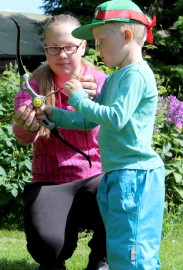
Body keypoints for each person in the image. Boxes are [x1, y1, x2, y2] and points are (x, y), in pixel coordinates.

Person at [37, 1, 166, 269]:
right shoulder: (119, 76)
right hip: (118, 172)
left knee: (134, 249)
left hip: (136, 175)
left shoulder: (137, 76)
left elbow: (116, 118)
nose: (97, 48)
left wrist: (79, 97)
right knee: (119, 245)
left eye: (101, 40)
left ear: (127, 36)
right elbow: (89, 119)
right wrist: (55, 114)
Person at [13, 14, 109, 270]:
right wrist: (27, 126)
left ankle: (102, 257)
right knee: (47, 246)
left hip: (97, 177)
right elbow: (23, 139)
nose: (62, 54)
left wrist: (93, 101)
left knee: (122, 190)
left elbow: (115, 125)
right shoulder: (32, 86)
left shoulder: (101, 83)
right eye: (53, 48)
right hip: (50, 180)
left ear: (83, 46)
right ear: (45, 49)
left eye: (69, 47)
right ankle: (54, 258)